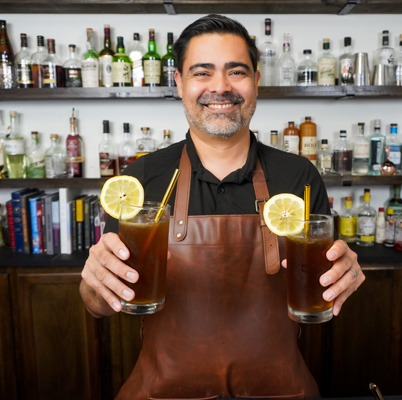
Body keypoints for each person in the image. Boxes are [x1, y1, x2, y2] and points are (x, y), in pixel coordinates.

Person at [80, 14, 366, 399]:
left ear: (256, 82)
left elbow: (320, 298)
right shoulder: (142, 178)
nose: (221, 87)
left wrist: (342, 278)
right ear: (179, 82)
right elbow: (99, 304)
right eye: (202, 73)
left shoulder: (298, 176)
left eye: (236, 72)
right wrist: (94, 285)